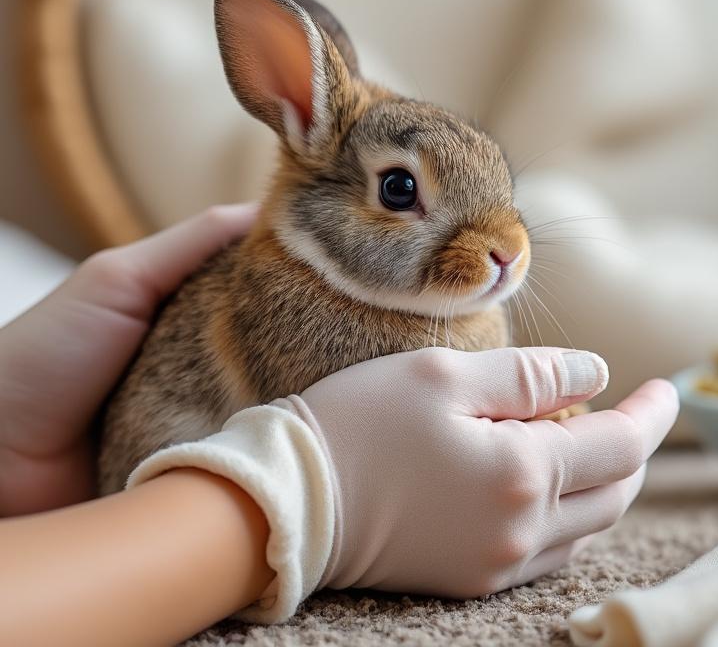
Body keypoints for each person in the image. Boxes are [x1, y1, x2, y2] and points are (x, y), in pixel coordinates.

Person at [0, 205, 678, 646]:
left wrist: (18, 455)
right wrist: (299, 501)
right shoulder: (286, 293)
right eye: (400, 188)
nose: (504, 247)